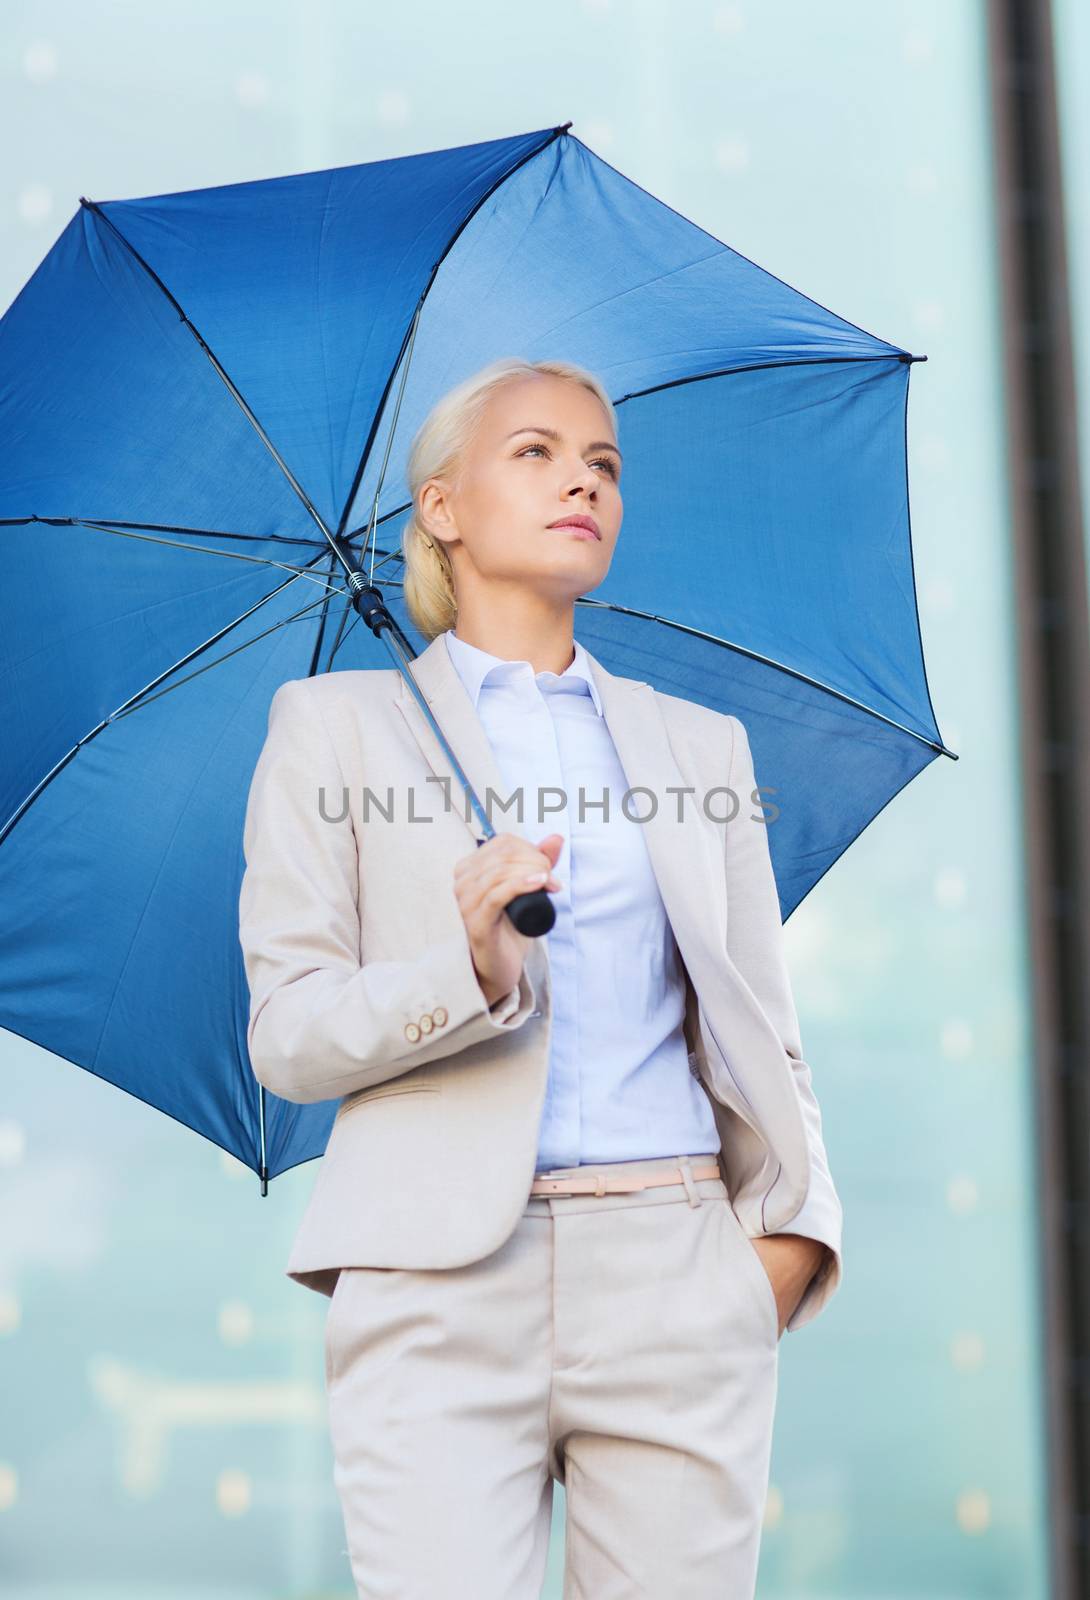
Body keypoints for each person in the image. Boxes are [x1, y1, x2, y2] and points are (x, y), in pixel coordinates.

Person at [238, 356, 844, 1599]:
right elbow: (288, 1036)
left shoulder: (698, 745)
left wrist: (787, 1240)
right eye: (536, 451)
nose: (583, 477)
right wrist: (463, 965)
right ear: (442, 509)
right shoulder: (335, 728)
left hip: (677, 1272)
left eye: (603, 463)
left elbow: (760, 1029)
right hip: (437, 1284)